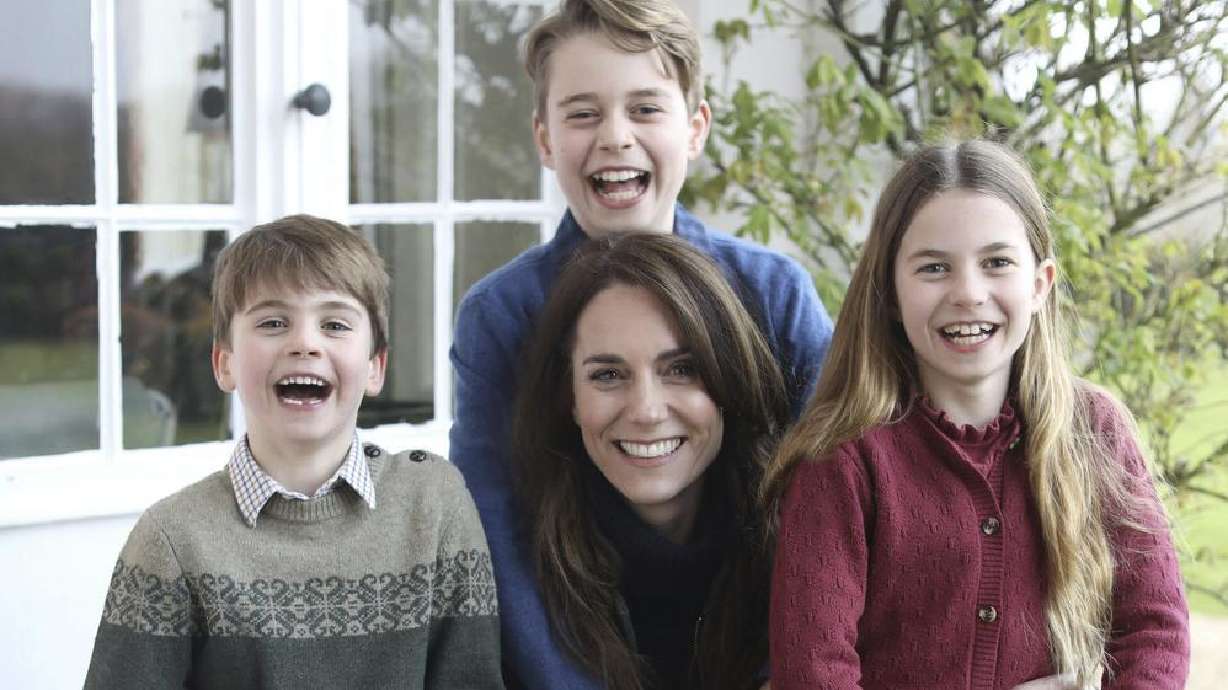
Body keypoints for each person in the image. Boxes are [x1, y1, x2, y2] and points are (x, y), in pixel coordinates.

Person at [448, 1, 833, 687]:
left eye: (646, 109)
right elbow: (495, 538)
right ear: (544, 138)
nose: (615, 138)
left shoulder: (774, 297)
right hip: (574, 650)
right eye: (583, 113)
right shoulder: (502, 315)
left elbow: (831, 511)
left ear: (695, 128)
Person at [765, 141, 1190, 689]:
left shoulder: (1095, 432)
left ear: (1039, 285)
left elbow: (1154, 630)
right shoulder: (842, 464)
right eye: (934, 268)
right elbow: (813, 674)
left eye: (997, 263)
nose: (968, 293)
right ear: (891, 293)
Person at [84, 215, 503, 690]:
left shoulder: (435, 505)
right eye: (273, 322)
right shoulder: (172, 541)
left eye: (335, 324)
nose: (304, 343)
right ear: (225, 364)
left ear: (374, 367)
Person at [513, 232, 790, 690]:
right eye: (607, 375)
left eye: (682, 369)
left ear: (731, 378)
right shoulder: (514, 571)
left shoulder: (798, 548)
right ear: (570, 399)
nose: (646, 410)